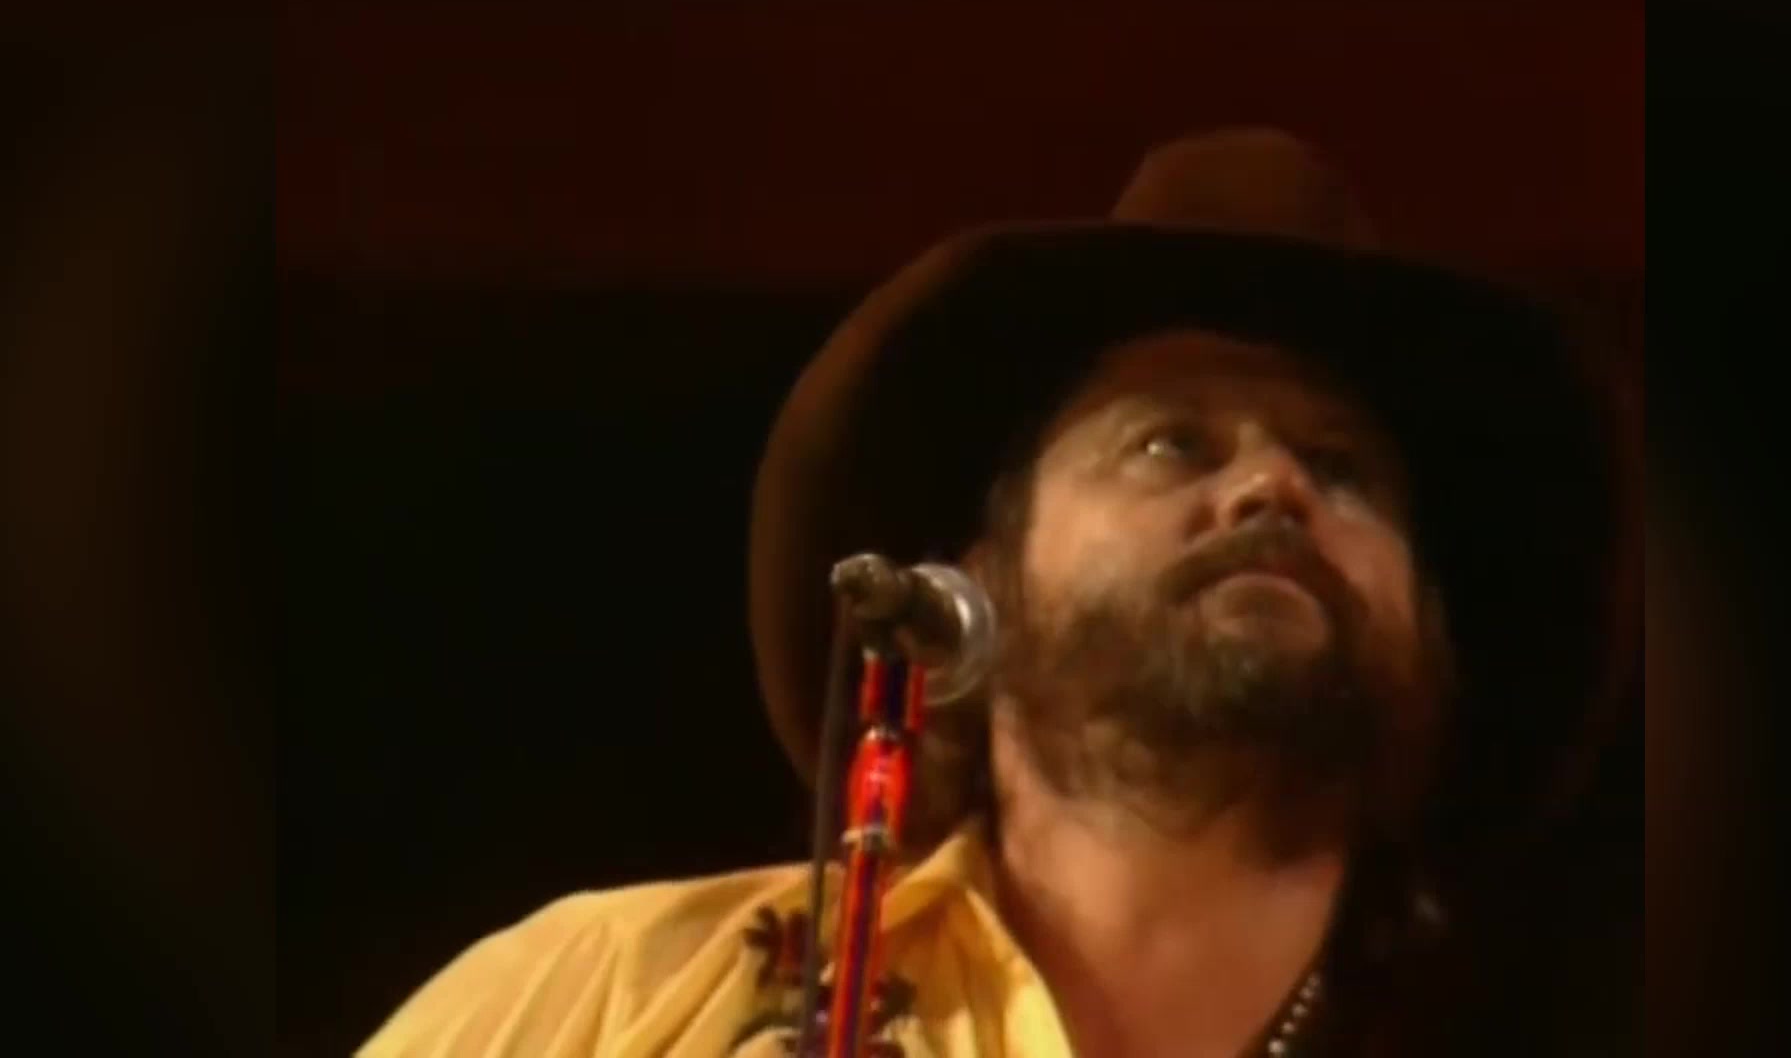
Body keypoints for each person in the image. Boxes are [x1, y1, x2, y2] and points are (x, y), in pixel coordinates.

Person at [358, 129, 1636, 1057]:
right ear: (974, 587)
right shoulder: (609, 995)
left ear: (1432, 633)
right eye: (1172, 444)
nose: (1272, 487)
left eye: (1342, 469)